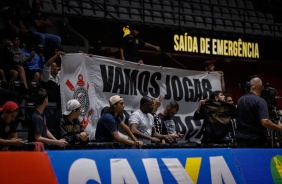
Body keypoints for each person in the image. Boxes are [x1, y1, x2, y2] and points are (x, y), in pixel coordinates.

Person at [235, 76, 282, 148]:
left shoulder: (241, 99)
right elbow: (265, 122)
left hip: (240, 139)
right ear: (261, 87)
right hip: (255, 141)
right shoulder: (260, 101)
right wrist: (278, 127)